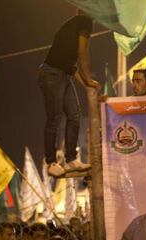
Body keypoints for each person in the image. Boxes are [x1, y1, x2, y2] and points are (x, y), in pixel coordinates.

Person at [39, 10, 101, 177]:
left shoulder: (72, 24)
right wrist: (88, 77)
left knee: (74, 115)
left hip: (63, 73)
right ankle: (51, 161)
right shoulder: (84, 21)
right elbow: (82, 53)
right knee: (54, 118)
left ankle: (71, 159)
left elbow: (70, 66)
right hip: (52, 73)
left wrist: (87, 84)